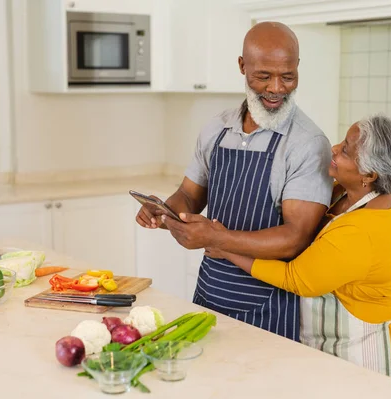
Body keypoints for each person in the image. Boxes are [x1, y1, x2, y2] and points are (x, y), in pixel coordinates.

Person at [135, 22, 333, 341]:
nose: (276, 88)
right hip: (210, 293)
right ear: (242, 66)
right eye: (263, 76)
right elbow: (189, 194)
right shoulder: (217, 129)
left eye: (288, 76)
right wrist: (165, 211)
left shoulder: (307, 143)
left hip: (270, 306)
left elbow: (295, 237)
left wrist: (217, 239)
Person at [205, 114, 391, 383]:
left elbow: (296, 279)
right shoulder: (349, 193)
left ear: (369, 174)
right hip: (347, 353)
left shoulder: (360, 231)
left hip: (378, 362)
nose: (334, 149)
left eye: (345, 150)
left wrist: (226, 247)